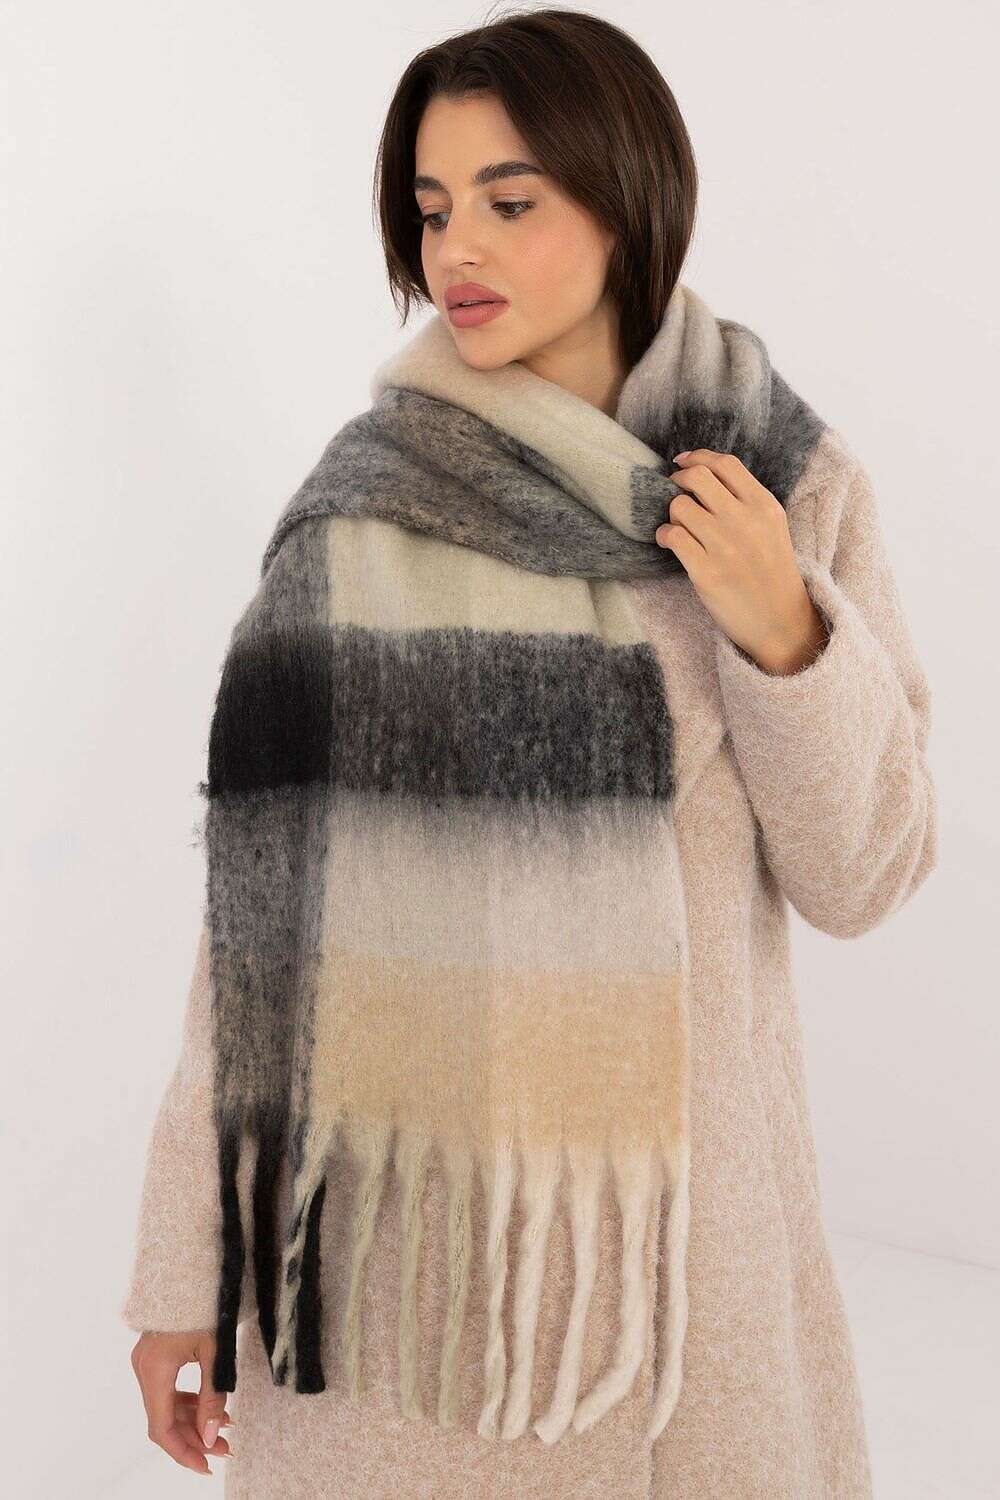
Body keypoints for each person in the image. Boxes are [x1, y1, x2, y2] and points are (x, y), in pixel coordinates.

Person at [122, 9, 937, 1496]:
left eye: (511, 201)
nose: (459, 252)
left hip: (695, 1293)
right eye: (433, 210)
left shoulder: (781, 487)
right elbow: (255, 938)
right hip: (415, 1307)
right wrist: (187, 1265)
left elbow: (866, 875)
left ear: (627, 201)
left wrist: (784, 632)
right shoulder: (362, 520)